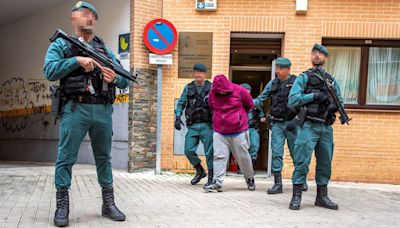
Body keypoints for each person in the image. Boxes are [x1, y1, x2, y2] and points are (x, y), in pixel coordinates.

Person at [43, 2, 128, 226]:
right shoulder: (62, 45)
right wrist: (76, 61)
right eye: (83, 14)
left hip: (102, 110)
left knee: (104, 158)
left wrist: (115, 78)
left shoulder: (104, 49)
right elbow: (49, 71)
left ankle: (108, 203)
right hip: (75, 108)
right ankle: (62, 206)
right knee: (66, 158)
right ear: (73, 19)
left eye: (92, 15)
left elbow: (124, 77)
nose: (88, 18)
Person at [288, 44, 344, 210]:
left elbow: (339, 100)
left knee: (325, 162)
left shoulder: (331, 81)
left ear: (326, 58)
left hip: (326, 127)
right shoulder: (304, 78)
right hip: (309, 125)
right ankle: (296, 196)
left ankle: (322, 196)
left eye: (321, 53)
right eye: (315, 53)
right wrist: (314, 96)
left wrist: (334, 106)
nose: (317, 55)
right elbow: (293, 100)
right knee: (302, 160)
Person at [253, 58, 307, 194]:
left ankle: (301, 180)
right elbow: (261, 99)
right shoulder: (273, 83)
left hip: (292, 123)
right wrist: (246, 103)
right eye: (277, 68)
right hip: (277, 123)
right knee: (276, 152)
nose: (277, 71)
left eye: (280, 68)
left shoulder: (296, 82)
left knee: (296, 152)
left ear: (288, 69)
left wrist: (298, 120)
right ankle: (278, 184)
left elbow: (304, 103)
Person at [204, 75, 255, 192]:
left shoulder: (239, 90)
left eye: (224, 91)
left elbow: (249, 105)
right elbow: (212, 107)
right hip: (219, 131)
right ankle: (217, 182)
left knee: (243, 157)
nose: (221, 93)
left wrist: (238, 117)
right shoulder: (213, 93)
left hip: (239, 130)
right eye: (219, 92)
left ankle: (249, 178)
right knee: (219, 156)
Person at [175, 64, 214, 186]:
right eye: (196, 75)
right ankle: (199, 170)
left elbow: (218, 105)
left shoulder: (211, 87)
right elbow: (181, 103)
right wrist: (177, 116)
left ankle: (211, 177)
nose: (198, 78)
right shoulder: (188, 87)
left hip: (207, 126)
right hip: (193, 126)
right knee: (188, 150)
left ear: (204, 74)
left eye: (200, 75)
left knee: (210, 152)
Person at [240, 83, 266, 167]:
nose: (246, 91)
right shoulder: (236, 102)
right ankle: (242, 167)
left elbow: (261, 113)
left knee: (255, 146)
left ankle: (250, 168)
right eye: (244, 90)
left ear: (250, 91)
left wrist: (262, 117)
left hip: (252, 128)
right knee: (241, 148)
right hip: (240, 129)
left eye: (247, 90)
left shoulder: (255, 102)